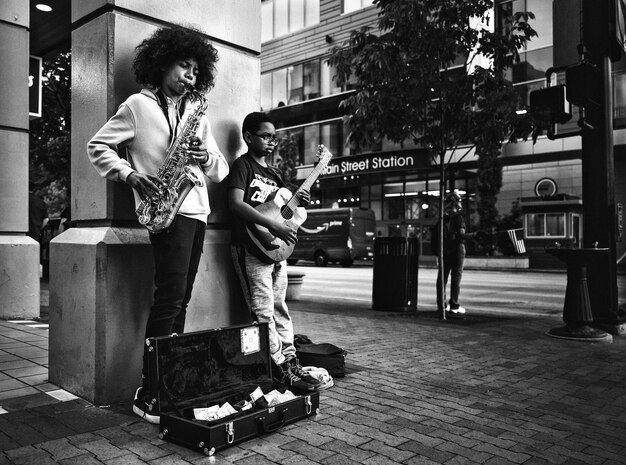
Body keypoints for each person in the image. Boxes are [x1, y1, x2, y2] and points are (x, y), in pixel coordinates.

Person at [87, 25, 229, 423]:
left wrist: (203, 156)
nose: (191, 75)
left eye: (196, 70)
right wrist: (129, 175)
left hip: (196, 210)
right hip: (166, 211)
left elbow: (220, 170)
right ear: (163, 63)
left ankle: (170, 380)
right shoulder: (137, 105)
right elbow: (96, 145)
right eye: (184, 66)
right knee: (169, 300)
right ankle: (150, 391)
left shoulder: (198, 111)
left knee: (179, 299)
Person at [228, 112, 322, 391]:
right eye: (266, 136)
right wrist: (272, 225)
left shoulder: (275, 174)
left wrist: (299, 199)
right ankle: (277, 368)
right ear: (248, 137)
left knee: (280, 308)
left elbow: (285, 211)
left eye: (274, 137)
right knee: (263, 312)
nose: (272, 142)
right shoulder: (242, 166)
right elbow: (234, 204)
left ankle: (290, 362)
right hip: (250, 248)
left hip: (277, 251)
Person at [435, 192, 467, 315]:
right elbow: (461, 235)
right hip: (457, 250)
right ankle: (454, 305)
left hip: (445, 250)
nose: (461, 203)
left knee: (442, 278)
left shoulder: (443, 219)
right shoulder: (458, 218)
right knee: (456, 277)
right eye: (459, 201)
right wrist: (473, 235)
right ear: (455, 202)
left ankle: (441, 305)